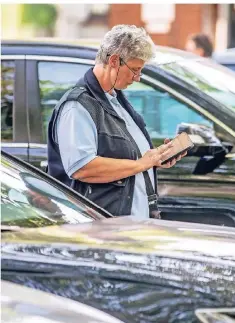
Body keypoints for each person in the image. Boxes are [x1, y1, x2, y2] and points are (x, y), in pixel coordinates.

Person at [47, 25, 186, 219]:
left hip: (128, 223)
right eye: (135, 70)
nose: (137, 78)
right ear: (114, 61)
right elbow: (82, 168)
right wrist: (141, 164)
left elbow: (126, 154)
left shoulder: (115, 99)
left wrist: (156, 158)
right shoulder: (77, 106)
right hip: (102, 228)